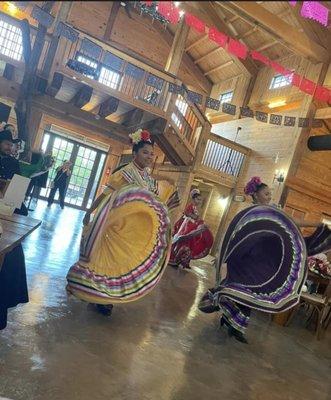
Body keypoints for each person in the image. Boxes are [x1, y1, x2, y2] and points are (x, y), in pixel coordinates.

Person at [199, 176, 331, 343]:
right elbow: (234, 234)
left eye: (270, 194)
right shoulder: (249, 212)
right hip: (244, 259)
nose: (269, 197)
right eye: (267, 194)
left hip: (260, 261)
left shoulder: (273, 212)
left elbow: (292, 221)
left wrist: (315, 224)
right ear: (256, 195)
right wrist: (223, 255)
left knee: (254, 292)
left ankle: (232, 322)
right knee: (240, 289)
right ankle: (231, 321)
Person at [66, 129, 180, 316]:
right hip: (113, 224)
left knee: (122, 263)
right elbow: (106, 195)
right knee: (102, 260)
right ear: (134, 154)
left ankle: (107, 296)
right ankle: (95, 295)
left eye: (152, 154)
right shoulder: (125, 173)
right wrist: (90, 211)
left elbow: (152, 203)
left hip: (131, 230)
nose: (149, 157)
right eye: (145, 152)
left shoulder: (148, 179)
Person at [0, 129, 29, 330]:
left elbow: (17, 190)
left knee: (12, 255)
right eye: (6, 143)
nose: (10, 147)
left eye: (12, 145)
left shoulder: (13, 163)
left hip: (6, 213)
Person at [169, 189, 214, 270]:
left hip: (191, 227)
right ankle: (174, 259)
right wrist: (194, 217)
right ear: (193, 199)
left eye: (200, 200)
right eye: (198, 199)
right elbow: (186, 213)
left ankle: (184, 261)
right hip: (186, 226)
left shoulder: (195, 207)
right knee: (182, 242)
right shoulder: (190, 206)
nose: (199, 201)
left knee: (190, 244)